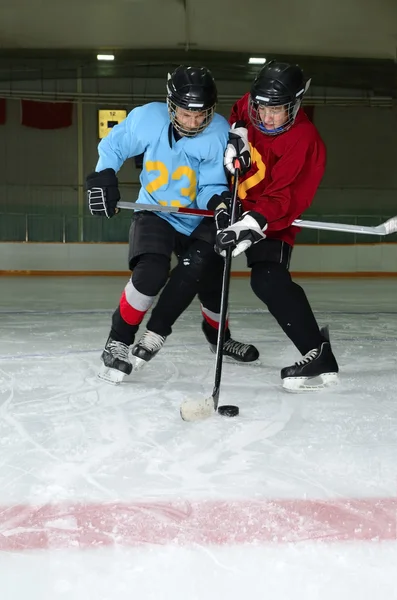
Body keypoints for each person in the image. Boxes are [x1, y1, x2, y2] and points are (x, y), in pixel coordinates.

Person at [86, 65, 259, 384]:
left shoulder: (218, 130)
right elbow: (113, 146)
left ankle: (219, 339)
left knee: (211, 280)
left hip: (197, 219)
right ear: (171, 106)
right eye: (185, 113)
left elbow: (209, 183)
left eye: (201, 115)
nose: (193, 122)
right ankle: (118, 342)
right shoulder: (147, 119)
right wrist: (103, 178)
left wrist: (219, 204)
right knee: (150, 271)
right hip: (154, 210)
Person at [217, 60, 339, 391]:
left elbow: (284, 198)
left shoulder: (304, 141)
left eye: (277, 111)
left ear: (295, 104)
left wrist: (252, 222)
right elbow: (239, 111)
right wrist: (238, 133)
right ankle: (215, 334)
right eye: (262, 108)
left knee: (267, 281)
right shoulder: (255, 102)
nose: (266, 117)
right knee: (203, 258)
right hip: (233, 204)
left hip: (272, 220)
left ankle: (318, 353)